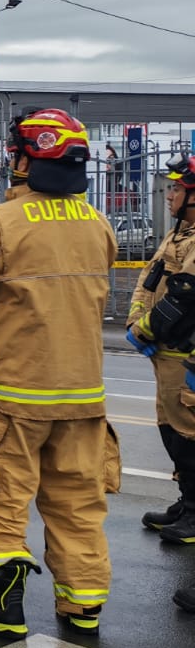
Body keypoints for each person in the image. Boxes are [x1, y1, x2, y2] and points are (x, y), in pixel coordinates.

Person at [0, 108, 117, 638]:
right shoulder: (99, 224)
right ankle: (83, 601)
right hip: (83, 395)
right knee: (78, 502)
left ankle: (0, 601)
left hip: (11, 393)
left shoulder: (0, 222)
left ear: (23, 161)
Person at [125, 154, 195, 547]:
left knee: (189, 432)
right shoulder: (180, 232)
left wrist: (146, 330)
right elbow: (148, 282)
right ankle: (186, 503)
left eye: (178, 188)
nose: (170, 194)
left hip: (184, 351)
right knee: (171, 428)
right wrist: (137, 320)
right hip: (164, 349)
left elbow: (186, 297)